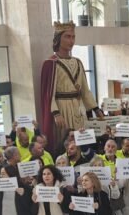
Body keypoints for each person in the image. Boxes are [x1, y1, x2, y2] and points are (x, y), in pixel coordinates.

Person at [40, 21, 103, 155]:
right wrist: (56, 113)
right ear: (58, 38)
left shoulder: (78, 62)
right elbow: (48, 95)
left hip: (78, 108)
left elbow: (85, 90)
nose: (71, 40)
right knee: (66, 142)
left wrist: (96, 108)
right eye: (67, 37)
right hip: (62, 108)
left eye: (73, 37)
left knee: (82, 141)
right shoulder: (50, 63)